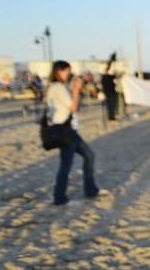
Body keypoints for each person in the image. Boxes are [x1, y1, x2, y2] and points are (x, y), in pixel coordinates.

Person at [46, 61, 107, 206]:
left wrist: (77, 90)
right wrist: (76, 89)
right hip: (64, 131)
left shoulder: (60, 87)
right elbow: (73, 107)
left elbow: (75, 106)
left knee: (88, 156)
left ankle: (90, 189)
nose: (68, 73)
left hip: (68, 130)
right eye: (66, 70)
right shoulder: (58, 88)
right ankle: (59, 197)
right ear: (58, 71)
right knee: (67, 164)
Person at [101, 57, 119, 122]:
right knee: (110, 107)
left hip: (112, 93)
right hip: (109, 94)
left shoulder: (109, 77)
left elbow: (115, 76)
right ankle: (111, 118)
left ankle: (112, 117)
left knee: (112, 107)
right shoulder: (105, 77)